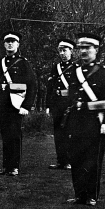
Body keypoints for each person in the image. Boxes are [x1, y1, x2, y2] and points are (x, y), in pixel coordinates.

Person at [64, 33, 105, 206]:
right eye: (81, 48)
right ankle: (79, 194)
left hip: (95, 122)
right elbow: (70, 97)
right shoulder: (74, 71)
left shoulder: (104, 72)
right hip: (76, 123)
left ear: (96, 50)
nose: (84, 51)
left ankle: (92, 195)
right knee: (77, 159)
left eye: (88, 48)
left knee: (92, 160)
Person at [0, 31, 37, 176]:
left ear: (18, 44)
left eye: (13, 41)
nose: (10, 44)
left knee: (15, 137)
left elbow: (32, 85)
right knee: (5, 137)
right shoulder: (1, 63)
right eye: (7, 41)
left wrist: (26, 106)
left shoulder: (23, 63)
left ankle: (14, 167)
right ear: (4, 44)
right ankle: (5, 167)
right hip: (4, 106)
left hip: (16, 106)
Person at [45, 38, 75, 170]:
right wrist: (47, 105)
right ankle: (61, 161)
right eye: (60, 51)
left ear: (71, 51)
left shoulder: (76, 67)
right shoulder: (55, 67)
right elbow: (50, 87)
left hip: (70, 104)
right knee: (58, 133)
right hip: (57, 104)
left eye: (65, 50)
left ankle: (70, 161)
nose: (62, 53)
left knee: (70, 133)